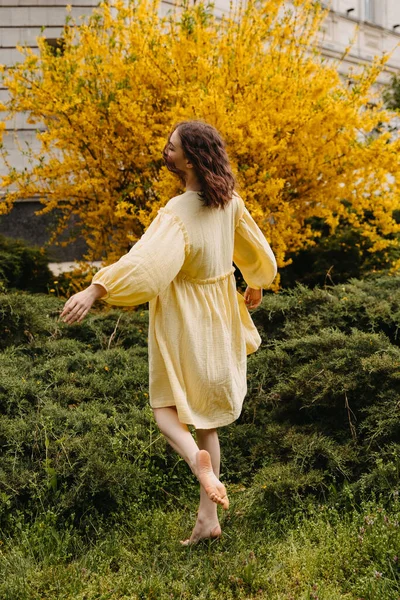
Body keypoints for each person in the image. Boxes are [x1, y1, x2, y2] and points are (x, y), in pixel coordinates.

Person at [60, 119, 277, 545]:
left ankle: (197, 465)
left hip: (184, 320)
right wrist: (255, 280)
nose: (165, 150)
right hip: (220, 319)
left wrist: (96, 287)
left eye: (172, 146)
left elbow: (146, 264)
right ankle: (207, 519)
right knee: (208, 423)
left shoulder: (176, 213)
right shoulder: (229, 201)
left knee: (165, 410)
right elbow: (254, 247)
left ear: (191, 158)